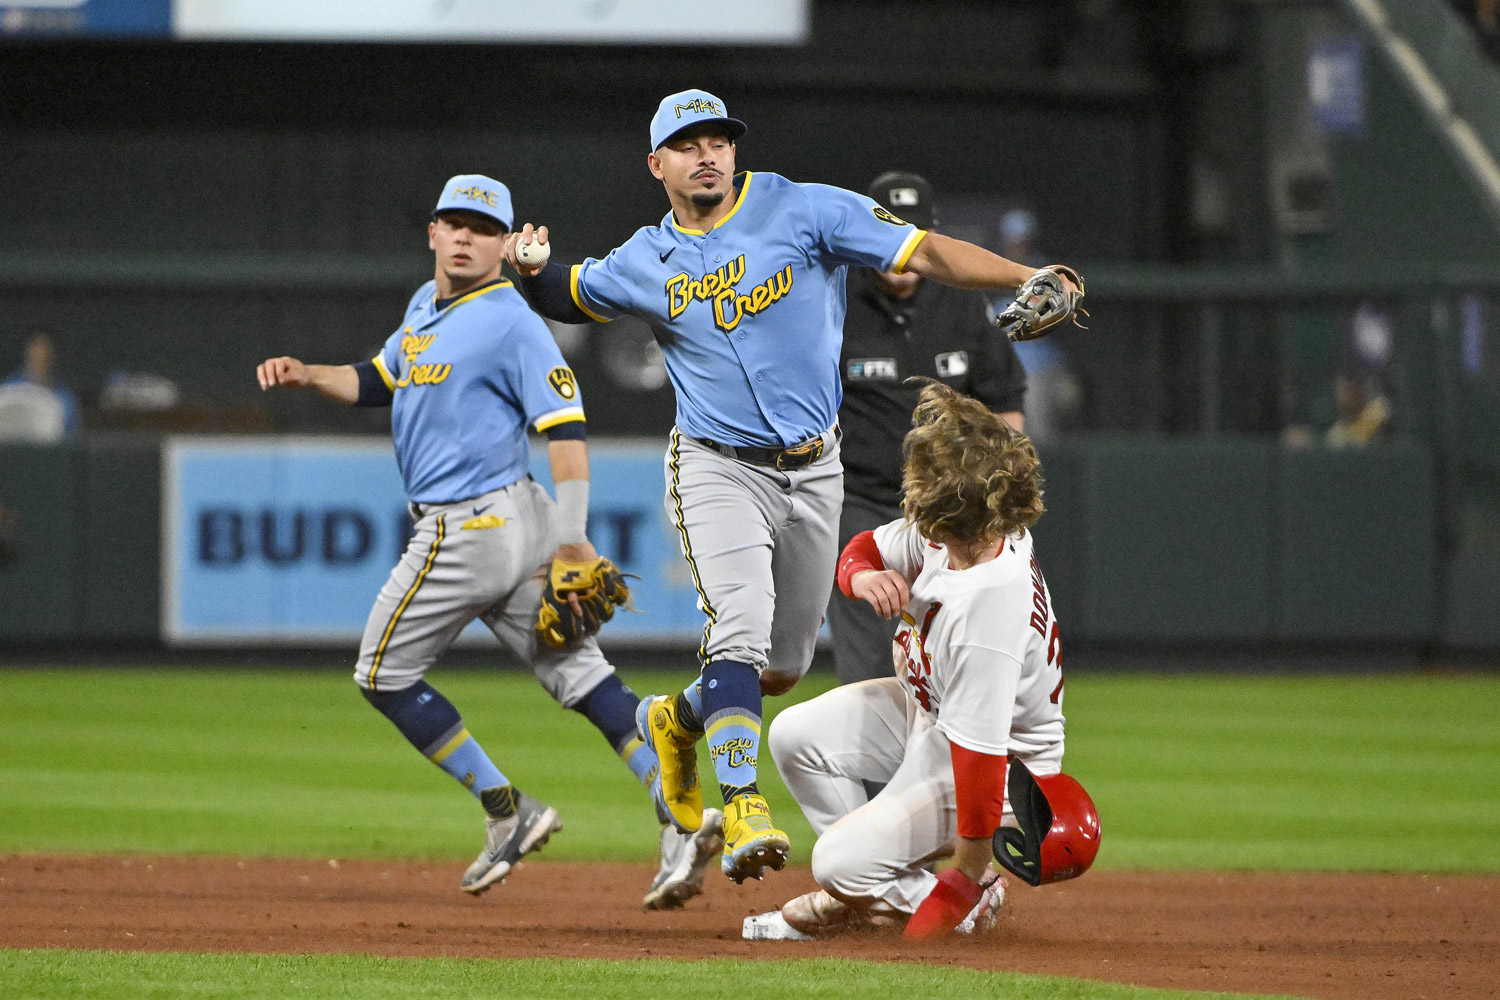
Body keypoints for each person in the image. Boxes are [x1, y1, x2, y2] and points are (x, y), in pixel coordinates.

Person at [501, 89, 1083, 884]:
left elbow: (924, 250)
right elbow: (568, 291)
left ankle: (673, 721)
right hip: (716, 463)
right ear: (656, 164)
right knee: (738, 629)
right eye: (687, 143)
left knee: (779, 667)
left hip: (816, 469)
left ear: (734, 151)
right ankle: (741, 806)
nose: (707, 153)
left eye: (718, 139)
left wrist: (1024, 274)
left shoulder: (806, 210)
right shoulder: (644, 258)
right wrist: (528, 270)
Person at [255, 174, 724, 909]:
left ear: (507, 244)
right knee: (583, 677)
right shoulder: (424, 305)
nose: (467, 236)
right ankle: (680, 809)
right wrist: (310, 373)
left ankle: (508, 808)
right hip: (508, 521)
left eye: (483, 226)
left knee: (381, 675)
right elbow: (382, 378)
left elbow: (565, 430)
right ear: (434, 233)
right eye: (456, 222)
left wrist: (571, 541)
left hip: (471, 526)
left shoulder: (512, 321)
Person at [760, 381, 1099, 939]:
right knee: (795, 736)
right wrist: (863, 576)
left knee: (836, 864)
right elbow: (865, 548)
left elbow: (980, 770)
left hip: (1006, 775)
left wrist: (958, 890)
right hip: (933, 714)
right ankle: (873, 895)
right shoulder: (971, 529)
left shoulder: (987, 608)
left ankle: (909, 894)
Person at [831, 171, 1028, 687]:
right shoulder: (834, 300)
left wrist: (1003, 498)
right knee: (871, 672)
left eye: (911, 233)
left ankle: (960, 766)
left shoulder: (962, 301)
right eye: (888, 231)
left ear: (930, 235)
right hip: (861, 501)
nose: (898, 253)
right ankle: (878, 770)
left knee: (965, 665)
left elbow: (1005, 399)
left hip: (952, 514)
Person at [995, 209, 1082, 446]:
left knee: (1041, 435)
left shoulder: (1047, 272)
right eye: (1013, 240)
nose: (1017, 246)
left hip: (1040, 368)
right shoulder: (995, 269)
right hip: (1008, 367)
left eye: (1022, 240)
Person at [0, 331, 82, 441]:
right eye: (37, 348)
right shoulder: (9, 390)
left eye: (45, 350)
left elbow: (71, 437)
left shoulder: (65, 398)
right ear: (29, 352)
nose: (41, 354)